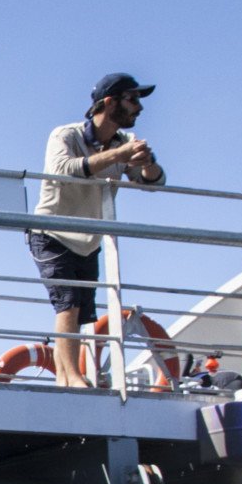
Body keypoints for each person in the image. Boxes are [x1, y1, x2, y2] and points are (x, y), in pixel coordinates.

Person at [28, 73, 164, 388]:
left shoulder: (124, 143)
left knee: (81, 311)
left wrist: (146, 164)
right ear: (108, 102)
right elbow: (64, 171)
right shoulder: (65, 135)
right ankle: (73, 376)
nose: (139, 108)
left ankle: (66, 377)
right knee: (69, 302)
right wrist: (118, 156)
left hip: (88, 239)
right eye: (132, 99)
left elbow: (153, 183)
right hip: (53, 231)